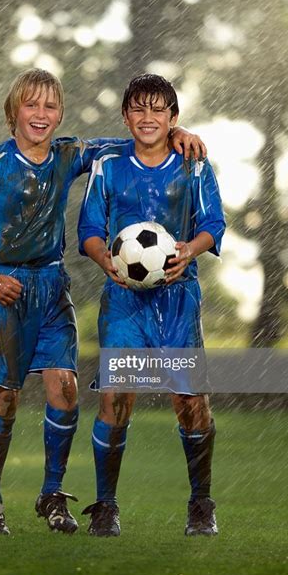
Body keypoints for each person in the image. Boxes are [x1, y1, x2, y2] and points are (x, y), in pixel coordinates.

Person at [0, 68, 207, 536]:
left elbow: (137, 141)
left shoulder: (71, 154)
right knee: (3, 397)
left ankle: (52, 495)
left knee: (65, 389)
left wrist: (178, 131)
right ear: (14, 112)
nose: (41, 115)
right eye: (31, 105)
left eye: (50, 106)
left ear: (60, 113)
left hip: (51, 286)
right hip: (4, 287)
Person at [78, 73, 225, 537]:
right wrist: (106, 259)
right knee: (116, 397)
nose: (147, 118)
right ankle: (105, 506)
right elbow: (89, 231)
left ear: (173, 118)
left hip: (178, 299)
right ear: (125, 117)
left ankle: (201, 503)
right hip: (124, 300)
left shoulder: (193, 164)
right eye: (138, 109)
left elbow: (214, 223)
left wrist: (190, 251)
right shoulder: (108, 165)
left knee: (190, 402)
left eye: (158, 110)